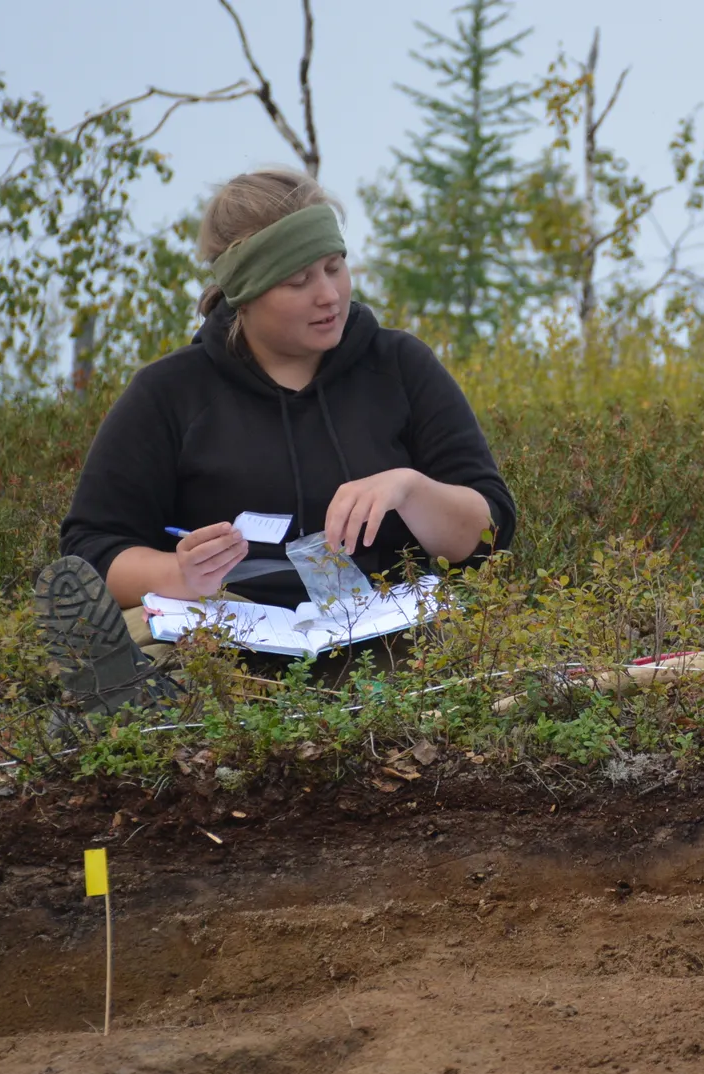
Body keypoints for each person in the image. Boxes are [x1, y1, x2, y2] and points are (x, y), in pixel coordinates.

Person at [34, 167, 516, 714]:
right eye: (298, 281)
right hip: (222, 632)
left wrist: (409, 489)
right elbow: (91, 549)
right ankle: (138, 699)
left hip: (379, 629)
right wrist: (179, 574)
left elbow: (489, 531)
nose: (329, 294)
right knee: (155, 639)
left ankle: (166, 712)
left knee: (444, 656)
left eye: (335, 267)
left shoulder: (401, 367)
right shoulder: (169, 393)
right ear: (244, 293)